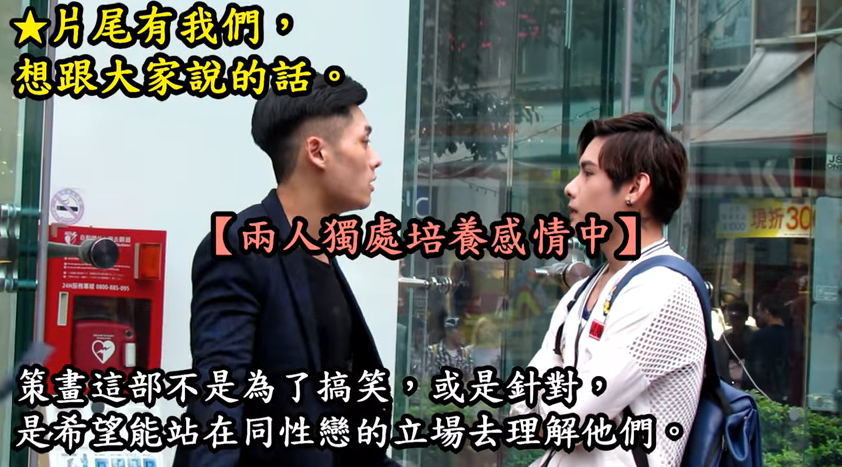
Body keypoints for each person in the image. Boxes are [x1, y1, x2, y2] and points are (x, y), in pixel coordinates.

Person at [173, 74, 400, 467]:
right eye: (363, 141)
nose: (375, 158)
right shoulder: (239, 246)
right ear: (317, 152)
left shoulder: (320, 250)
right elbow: (217, 405)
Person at [510, 112, 707, 467]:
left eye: (588, 173)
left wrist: (555, 385)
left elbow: (564, 421)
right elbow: (521, 412)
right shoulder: (581, 292)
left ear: (634, 188)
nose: (571, 187)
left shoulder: (664, 290)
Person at [743, 294, 790, 403]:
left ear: (767, 312)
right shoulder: (791, 335)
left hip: (764, 391)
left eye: (759, 311)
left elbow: (753, 367)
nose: (757, 314)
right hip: (785, 390)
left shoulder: (759, 336)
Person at [714, 300, 755, 388]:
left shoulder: (754, 335)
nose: (735, 322)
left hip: (749, 381)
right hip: (729, 381)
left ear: (745, 317)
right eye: (732, 318)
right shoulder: (725, 336)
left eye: (738, 318)